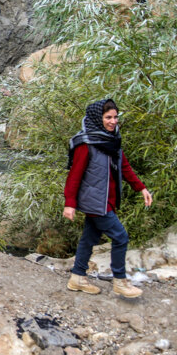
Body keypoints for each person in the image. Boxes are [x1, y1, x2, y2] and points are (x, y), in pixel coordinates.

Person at [63, 98, 152, 298]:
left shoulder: (112, 141)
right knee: (120, 237)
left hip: (106, 200)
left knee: (89, 238)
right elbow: (75, 175)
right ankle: (120, 281)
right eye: (108, 117)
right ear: (97, 118)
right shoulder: (86, 144)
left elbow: (125, 168)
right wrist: (70, 203)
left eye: (115, 117)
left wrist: (142, 188)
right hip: (95, 201)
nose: (113, 122)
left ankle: (77, 277)